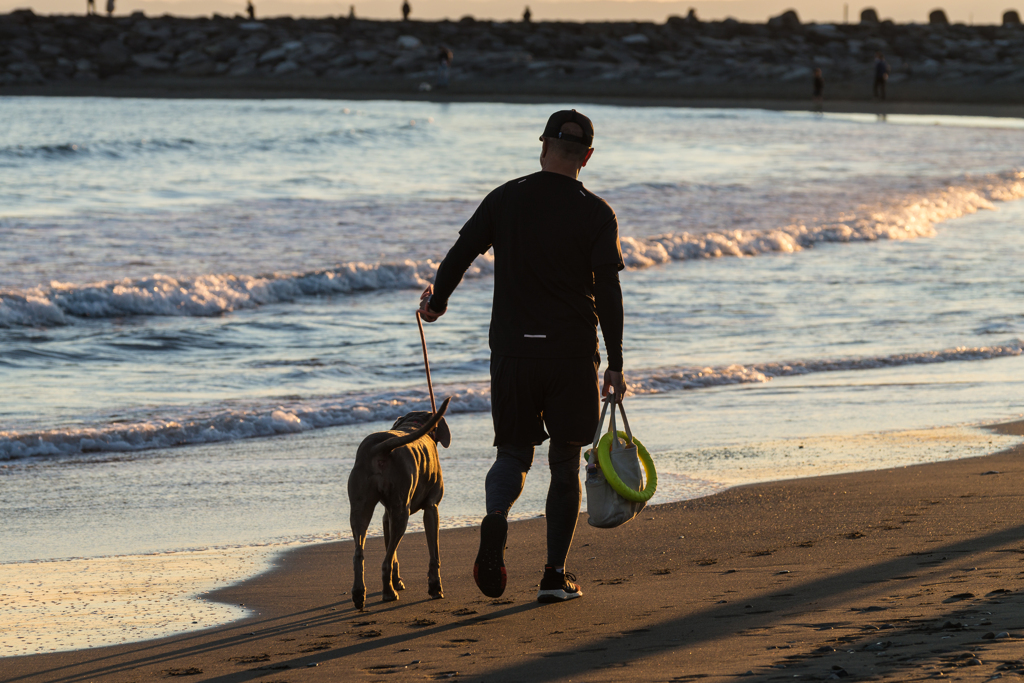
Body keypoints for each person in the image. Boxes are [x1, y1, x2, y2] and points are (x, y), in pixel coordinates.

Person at [417, 109, 626, 604]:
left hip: (512, 351)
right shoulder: (597, 213)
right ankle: (554, 576)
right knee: (564, 461)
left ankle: (495, 522)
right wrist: (615, 362)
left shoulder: (506, 197)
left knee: (512, 452)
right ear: (588, 157)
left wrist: (437, 303)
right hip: (572, 356)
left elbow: (460, 254)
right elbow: (610, 291)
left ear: (542, 146)